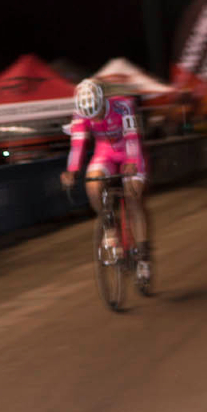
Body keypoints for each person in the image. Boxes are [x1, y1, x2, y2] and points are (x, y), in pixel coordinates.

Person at [60, 79, 152, 288]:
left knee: (133, 197)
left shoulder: (124, 106)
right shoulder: (80, 114)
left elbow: (133, 137)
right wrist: (72, 171)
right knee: (92, 185)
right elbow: (77, 145)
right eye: (91, 115)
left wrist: (131, 162)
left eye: (99, 111)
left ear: (104, 100)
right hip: (106, 154)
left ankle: (144, 259)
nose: (96, 117)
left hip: (129, 150)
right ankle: (110, 231)